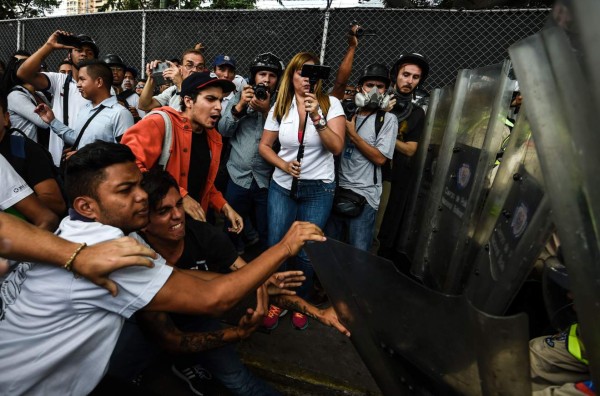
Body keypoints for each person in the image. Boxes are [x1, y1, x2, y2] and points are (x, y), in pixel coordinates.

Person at [0, 141, 326, 395]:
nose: (142, 196)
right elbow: (214, 298)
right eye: (125, 190)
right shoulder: (107, 250)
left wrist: (259, 281)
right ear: (87, 206)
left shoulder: (99, 234)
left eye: (139, 184)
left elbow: (184, 277)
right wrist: (284, 247)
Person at [108, 169, 349, 395]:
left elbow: (253, 283)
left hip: (196, 321)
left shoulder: (204, 235)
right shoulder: (135, 253)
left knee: (240, 382)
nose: (178, 215)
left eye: (179, 204)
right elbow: (172, 340)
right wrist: (237, 333)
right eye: (163, 211)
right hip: (146, 327)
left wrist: (319, 313)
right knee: (117, 376)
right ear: (144, 221)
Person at [258, 52, 345, 330]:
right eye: (301, 72)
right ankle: (280, 299)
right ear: (292, 76)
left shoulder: (331, 105)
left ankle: (301, 300)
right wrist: (283, 164)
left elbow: (336, 147)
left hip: (318, 189)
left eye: (312, 73)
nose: (306, 78)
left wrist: (317, 117)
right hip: (283, 187)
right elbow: (264, 146)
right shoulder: (279, 106)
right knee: (277, 245)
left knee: (307, 251)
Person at [122, 71, 243, 230]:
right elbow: (128, 167)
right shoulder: (160, 123)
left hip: (189, 226)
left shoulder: (214, 138)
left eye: (220, 100)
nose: (219, 107)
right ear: (188, 101)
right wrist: (178, 195)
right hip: (155, 226)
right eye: (210, 99)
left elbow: (204, 182)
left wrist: (224, 206)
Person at [325, 64, 398, 252]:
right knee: (330, 249)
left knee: (358, 253)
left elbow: (381, 159)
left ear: (386, 90)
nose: (374, 90)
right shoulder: (348, 113)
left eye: (380, 87)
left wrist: (354, 135)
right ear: (359, 88)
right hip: (338, 190)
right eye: (369, 85)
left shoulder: (387, 120)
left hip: (365, 197)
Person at [218, 52, 284, 251]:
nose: (266, 79)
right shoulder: (241, 95)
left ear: (277, 80)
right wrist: (239, 107)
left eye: (271, 76)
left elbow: (282, 143)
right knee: (231, 227)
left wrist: (266, 113)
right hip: (238, 176)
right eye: (262, 74)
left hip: (266, 179)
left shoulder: (282, 103)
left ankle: (260, 269)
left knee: (265, 229)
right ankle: (231, 266)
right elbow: (223, 130)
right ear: (254, 76)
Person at [16, 30, 100, 165]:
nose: (84, 53)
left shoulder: (102, 86)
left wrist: (88, 150)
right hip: (59, 159)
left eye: (89, 52)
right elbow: (23, 73)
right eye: (78, 50)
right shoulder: (59, 80)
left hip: (91, 159)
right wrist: (49, 46)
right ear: (69, 55)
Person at [377, 52, 429, 259]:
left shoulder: (416, 113)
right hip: (365, 171)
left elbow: (410, 149)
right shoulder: (377, 100)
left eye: (415, 77)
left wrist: (386, 134)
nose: (409, 81)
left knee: (384, 228)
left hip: (394, 176)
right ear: (395, 75)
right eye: (405, 74)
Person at [34, 59, 134, 157]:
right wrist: (52, 121)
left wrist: (84, 156)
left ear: (99, 82)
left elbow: (125, 154)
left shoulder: (120, 114)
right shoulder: (85, 109)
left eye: (82, 79)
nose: (78, 84)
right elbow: (77, 138)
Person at [138, 49, 206, 112]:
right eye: (189, 65)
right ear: (180, 68)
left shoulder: (208, 89)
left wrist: (180, 84)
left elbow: (193, 112)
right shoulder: (173, 90)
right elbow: (144, 106)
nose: (195, 70)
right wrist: (152, 79)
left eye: (200, 67)